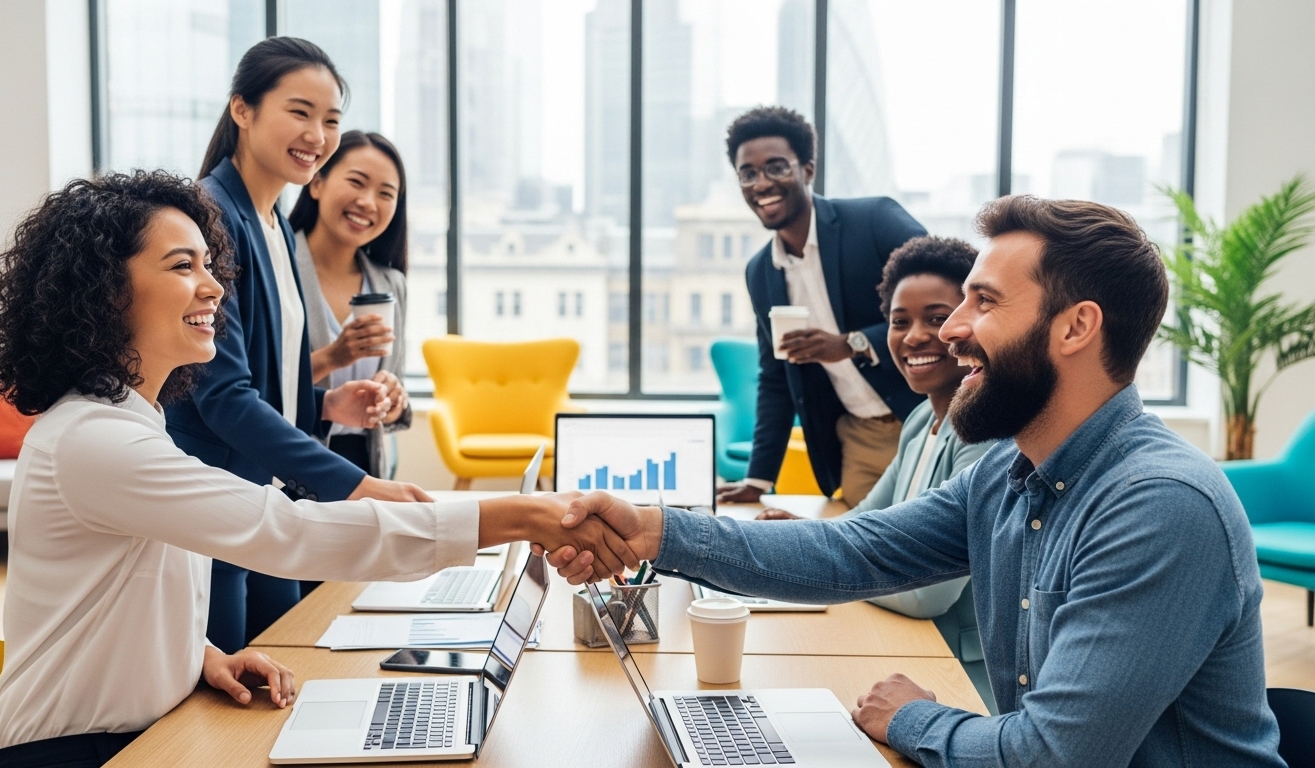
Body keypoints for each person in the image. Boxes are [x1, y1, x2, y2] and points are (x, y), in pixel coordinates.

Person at [550, 196, 1284, 766]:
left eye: (983, 302)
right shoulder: (1007, 469)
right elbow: (850, 554)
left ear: (1074, 328)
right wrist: (656, 530)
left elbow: (1052, 756)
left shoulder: (1158, 507)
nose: (950, 330)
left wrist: (913, 717)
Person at [0, 171, 633, 767]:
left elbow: (116, 594)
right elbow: (289, 531)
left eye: (209, 264)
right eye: (181, 266)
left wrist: (200, 659)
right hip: (69, 753)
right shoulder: (96, 440)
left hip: (131, 732)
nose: (212, 286)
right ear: (104, 291)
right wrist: (524, 516)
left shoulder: (130, 423)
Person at [165, 38, 418, 653]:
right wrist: (358, 486)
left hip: (263, 500)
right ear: (242, 110)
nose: (318, 133)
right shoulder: (211, 219)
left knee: (290, 659)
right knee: (219, 712)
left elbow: (262, 377)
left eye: (331, 119)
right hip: (217, 499)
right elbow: (222, 397)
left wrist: (328, 408)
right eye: (300, 112)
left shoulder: (272, 222)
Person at [757, 235, 997, 710]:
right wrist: (809, 536)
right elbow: (868, 519)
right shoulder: (917, 422)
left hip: (958, 680)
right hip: (903, 652)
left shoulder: (984, 438)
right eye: (899, 321)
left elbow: (927, 594)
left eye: (937, 318)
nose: (913, 337)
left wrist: (833, 564)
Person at [713, 107, 927, 508]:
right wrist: (757, 480)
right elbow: (776, 377)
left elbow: (952, 295)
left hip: (926, 417)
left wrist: (852, 343)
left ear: (807, 170)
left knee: (940, 550)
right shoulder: (761, 272)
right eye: (748, 173)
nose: (761, 183)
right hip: (858, 438)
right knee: (867, 556)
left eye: (776, 168)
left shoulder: (874, 220)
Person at [289, 130, 409, 480]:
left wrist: (392, 402)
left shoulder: (391, 284)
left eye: (386, 193)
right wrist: (333, 356)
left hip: (369, 467)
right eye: (357, 182)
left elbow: (397, 405)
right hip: (294, 463)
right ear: (316, 183)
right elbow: (257, 386)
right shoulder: (279, 267)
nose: (369, 202)